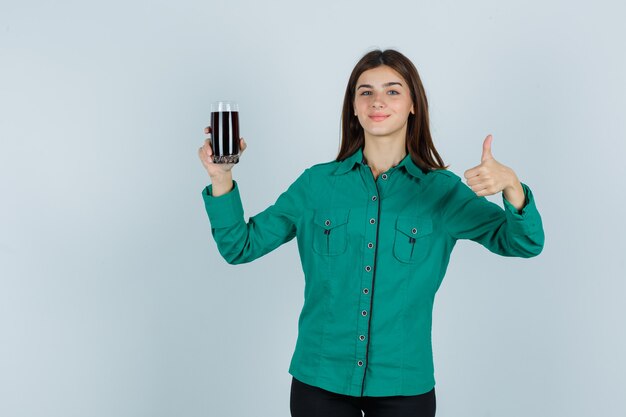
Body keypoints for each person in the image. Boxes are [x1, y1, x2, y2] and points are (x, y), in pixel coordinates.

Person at [198, 49, 544, 417]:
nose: (378, 101)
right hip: (319, 381)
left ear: (414, 105)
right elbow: (240, 246)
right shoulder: (316, 185)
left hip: (404, 384)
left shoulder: (442, 191)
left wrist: (512, 187)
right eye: (366, 92)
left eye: (393, 91)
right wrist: (221, 177)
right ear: (353, 107)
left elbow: (524, 242)